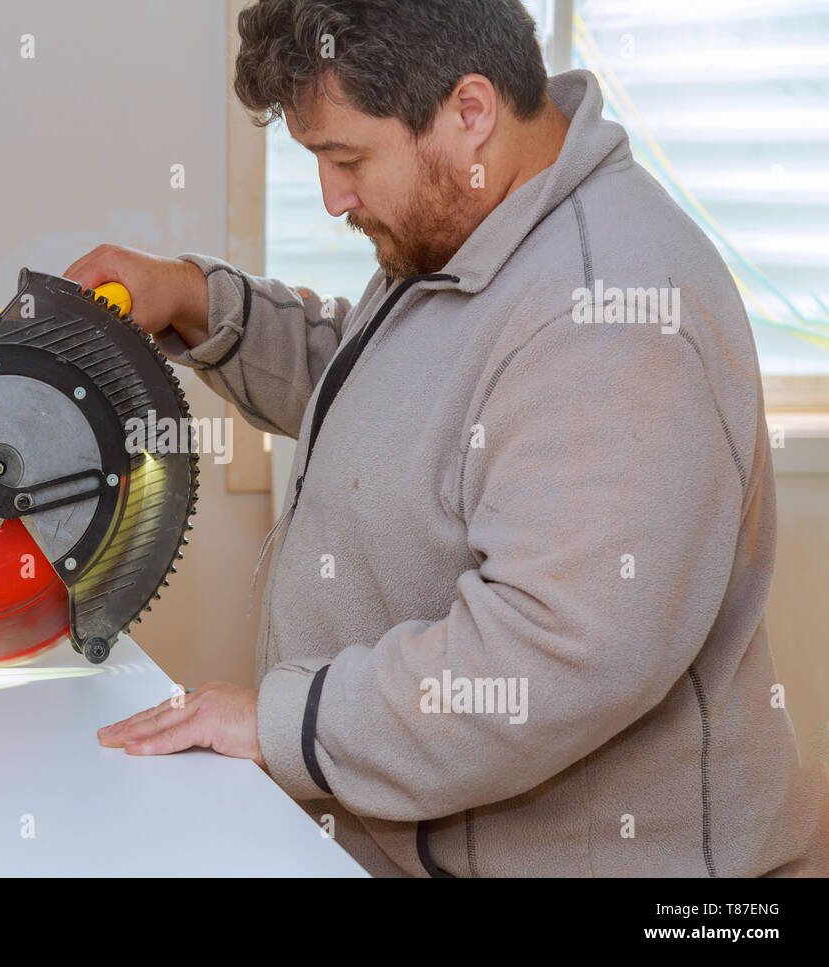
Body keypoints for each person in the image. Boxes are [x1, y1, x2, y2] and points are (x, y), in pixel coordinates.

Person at [65, 0, 827, 877]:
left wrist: (285, 722)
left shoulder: (610, 312)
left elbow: (550, 651)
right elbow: (394, 395)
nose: (331, 196)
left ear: (471, 111)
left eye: (347, 158)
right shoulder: (480, 223)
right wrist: (199, 299)